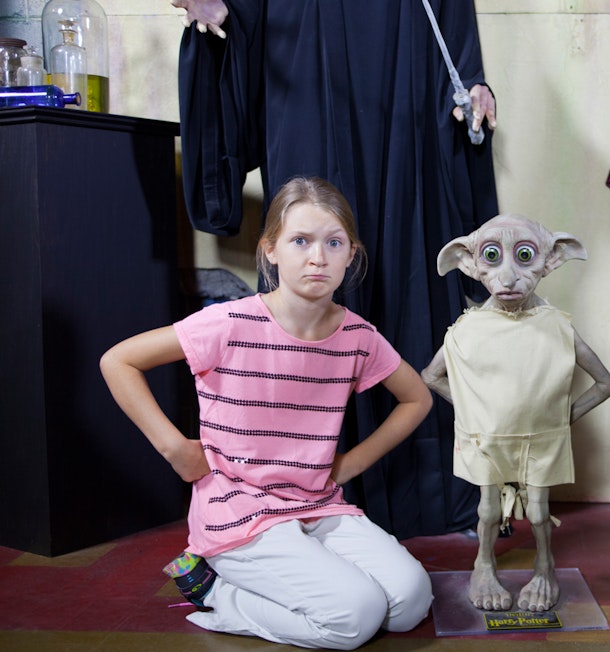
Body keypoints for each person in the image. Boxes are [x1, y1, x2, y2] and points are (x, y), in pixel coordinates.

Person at [171, 0, 500, 539]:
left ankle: (422, 493)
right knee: (311, 257)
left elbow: (452, 35)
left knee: (403, 273)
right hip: (305, 100)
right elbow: (244, 19)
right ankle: (282, 489)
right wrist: (223, 14)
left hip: (407, 115)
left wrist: (472, 85)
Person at [100, 177, 434, 650]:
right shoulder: (228, 323)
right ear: (271, 249)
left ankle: (309, 574)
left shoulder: (358, 337)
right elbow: (118, 360)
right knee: (355, 620)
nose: (318, 257)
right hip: (238, 509)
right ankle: (216, 591)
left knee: (409, 604)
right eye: (301, 241)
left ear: (351, 255)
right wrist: (174, 448)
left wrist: (352, 464)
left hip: (316, 503)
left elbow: (417, 398)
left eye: (333, 243)